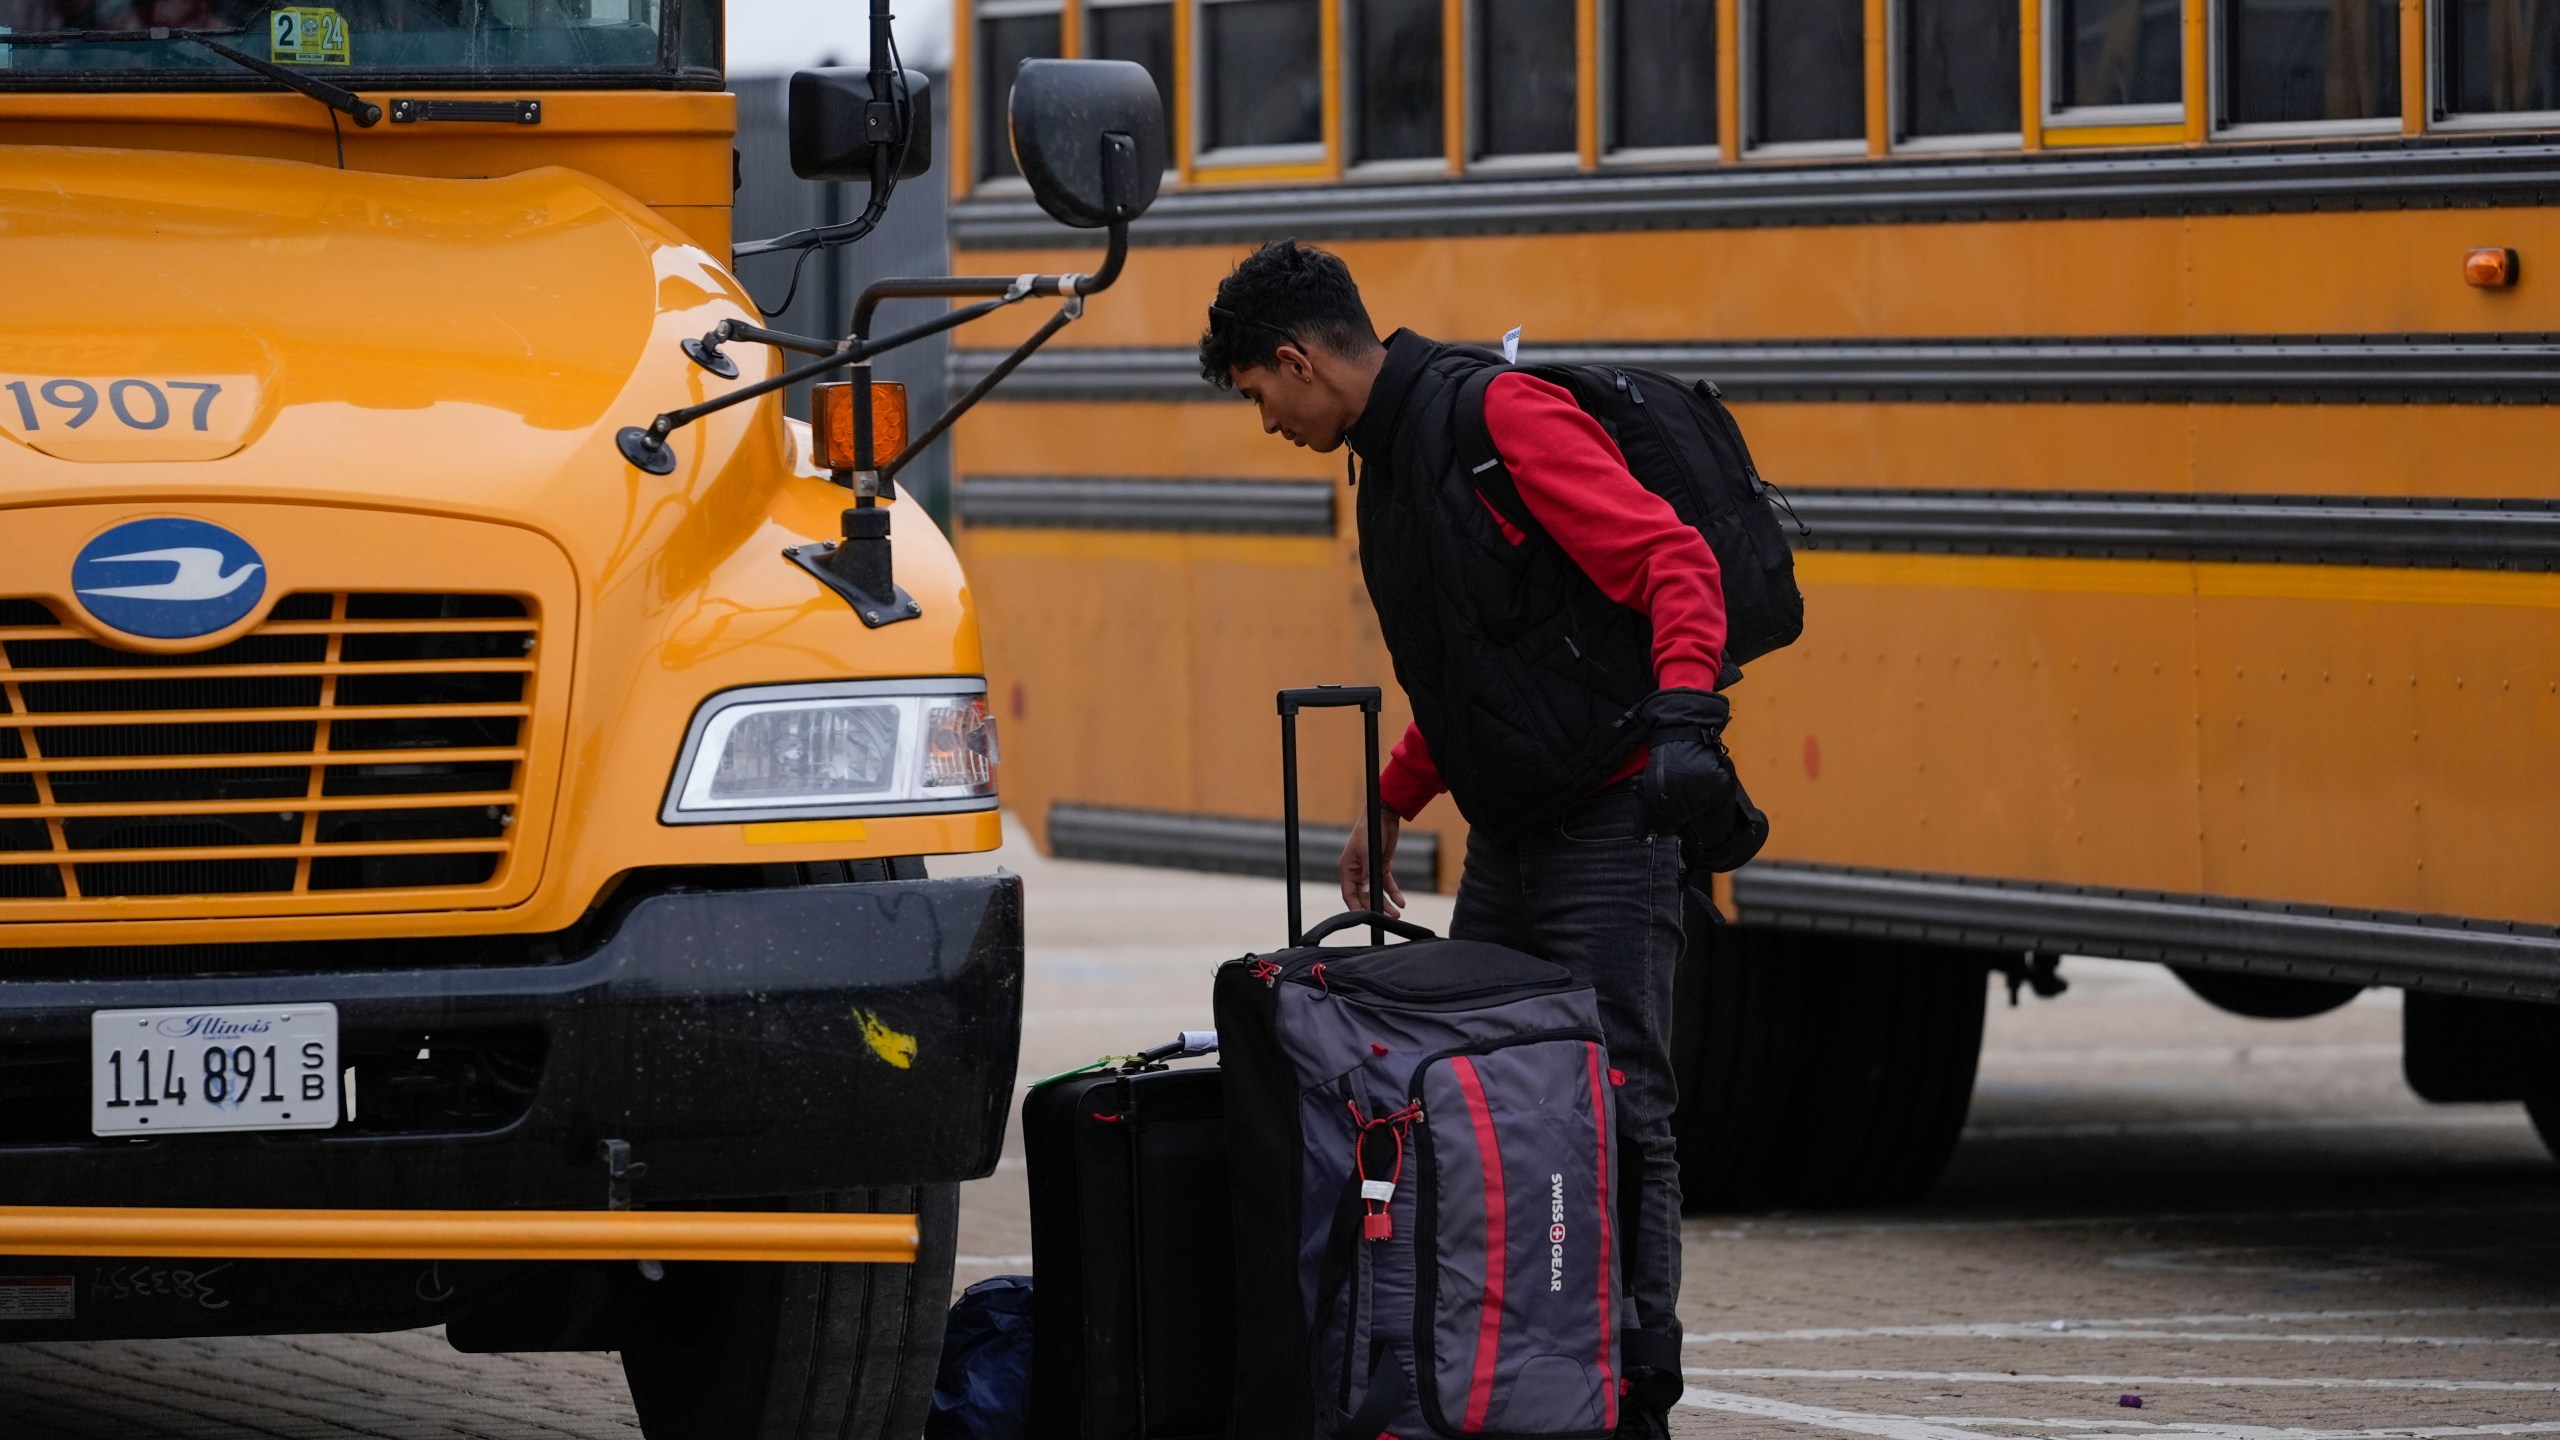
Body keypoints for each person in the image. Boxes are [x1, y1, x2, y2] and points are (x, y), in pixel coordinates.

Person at [1198, 239, 1763, 1440]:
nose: (1268, 425)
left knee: (1619, 1102)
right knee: (1501, 1090)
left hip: (1609, 816)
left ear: (1297, 361)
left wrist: (1683, 722)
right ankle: (1518, 1370)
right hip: (1512, 834)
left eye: (1258, 398)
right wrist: (1398, 795)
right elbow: (1481, 658)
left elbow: (1676, 561)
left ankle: (1632, 1390)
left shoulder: (1499, 417)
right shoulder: (1391, 461)